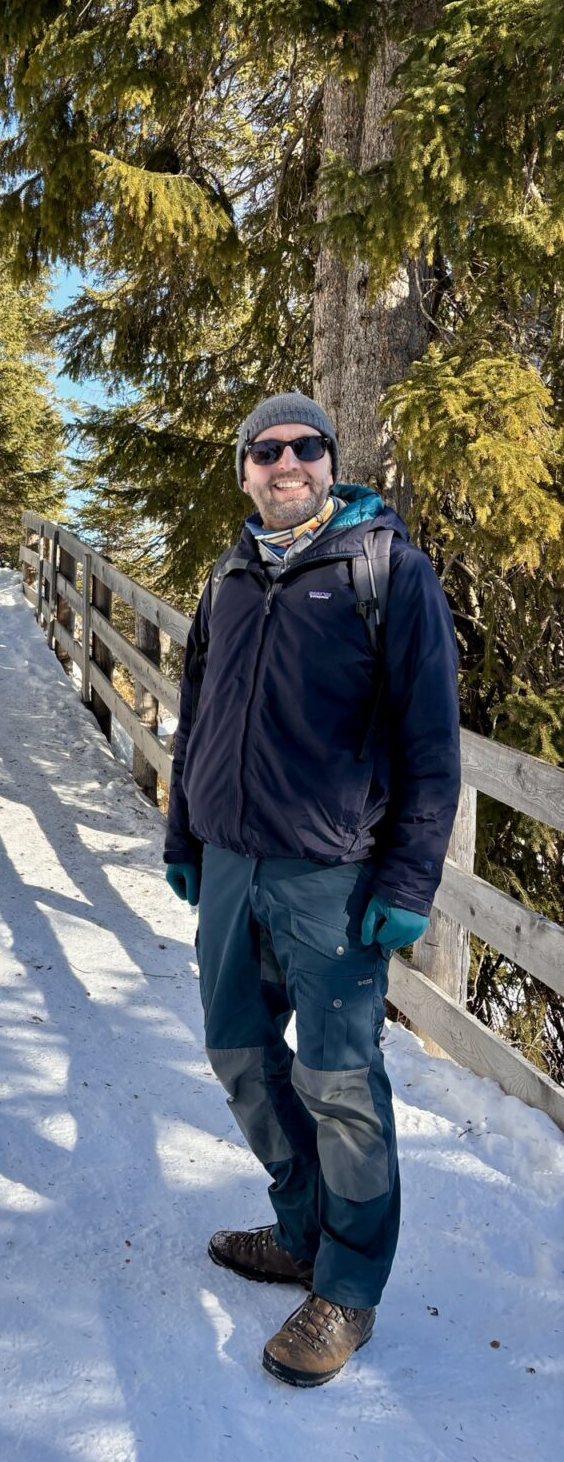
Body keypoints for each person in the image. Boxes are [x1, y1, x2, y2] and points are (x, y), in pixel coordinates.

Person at [163, 392, 460, 1387]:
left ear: (330, 462)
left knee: (338, 1081)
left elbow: (429, 744)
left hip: (333, 874)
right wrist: (184, 834)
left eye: (305, 447)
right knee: (237, 1054)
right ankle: (300, 1231)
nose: (285, 462)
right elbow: (196, 716)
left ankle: (349, 1286)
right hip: (233, 865)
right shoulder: (228, 579)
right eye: (265, 449)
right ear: (242, 469)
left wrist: (410, 875)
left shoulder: (387, 571)